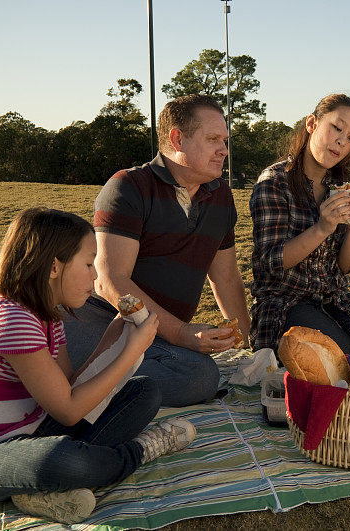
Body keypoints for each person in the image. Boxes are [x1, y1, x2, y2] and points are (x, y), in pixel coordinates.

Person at [0, 208, 196, 524]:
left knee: (145, 390)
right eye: (88, 264)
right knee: (65, 461)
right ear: (55, 267)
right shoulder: (11, 320)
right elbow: (70, 411)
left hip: (32, 430)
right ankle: (137, 452)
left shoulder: (49, 317)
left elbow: (70, 387)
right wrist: (132, 350)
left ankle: (42, 491)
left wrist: (112, 338)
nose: (96, 276)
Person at [63, 94, 251, 407]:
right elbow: (110, 282)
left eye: (225, 140)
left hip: (156, 335)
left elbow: (227, 278)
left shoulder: (221, 197)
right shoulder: (129, 186)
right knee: (199, 375)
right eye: (213, 139)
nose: (224, 150)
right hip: (100, 322)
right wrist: (181, 334)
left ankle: (90, 386)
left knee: (200, 374)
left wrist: (247, 342)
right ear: (177, 138)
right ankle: (72, 385)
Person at [250, 94, 350, 359]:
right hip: (285, 302)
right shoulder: (275, 182)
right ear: (311, 123)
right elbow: (270, 262)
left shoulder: (340, 185)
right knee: (342, 362)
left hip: (331, 299)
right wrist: (322, 228)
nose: (341, 141)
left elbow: (344, 267)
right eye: (337, 127)